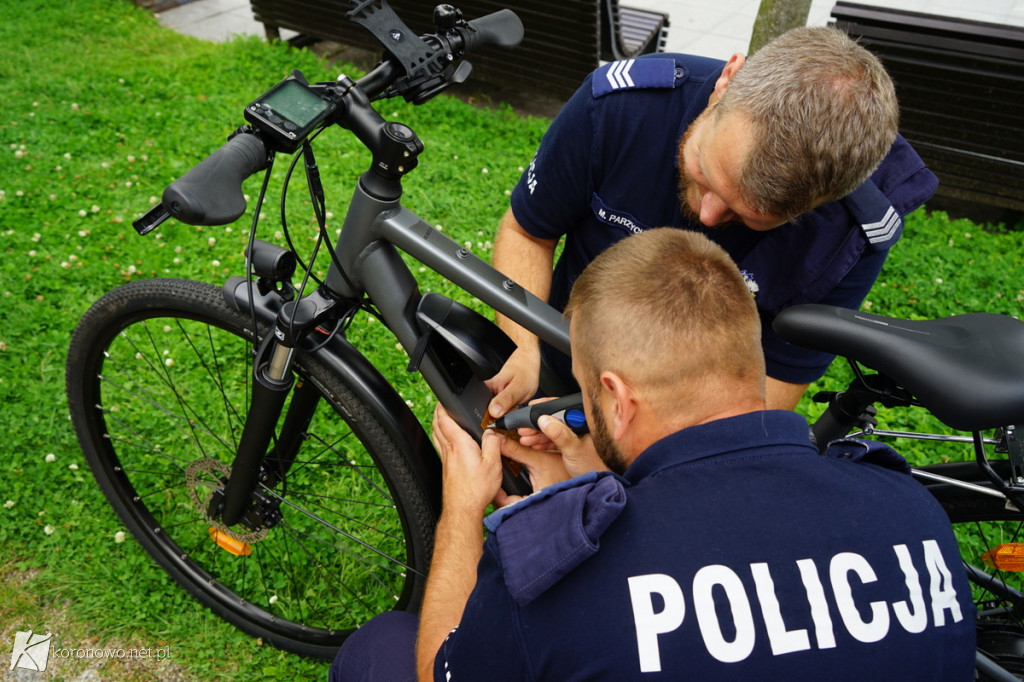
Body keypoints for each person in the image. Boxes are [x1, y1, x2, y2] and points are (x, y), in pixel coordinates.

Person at [329, 229, 975, 681]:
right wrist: (596, 481)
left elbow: (440, 669)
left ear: (614, 396)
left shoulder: (549, 574)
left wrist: (462, 511)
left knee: (379, 648)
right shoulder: (911, 510)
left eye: (580, 383)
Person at [486, 26, 938, 418]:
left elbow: (768, 392)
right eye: (706, 172)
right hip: (557, 358)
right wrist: (522, 346)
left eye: (750, 218)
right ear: (728, 80)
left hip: (686, 427)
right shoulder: (619, 108)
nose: (705, 217)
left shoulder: (852, 230)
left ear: (824, 202)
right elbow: (528, 232)